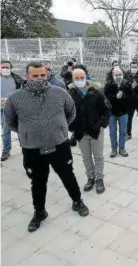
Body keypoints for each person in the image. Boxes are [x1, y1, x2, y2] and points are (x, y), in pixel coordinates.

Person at [4, 61, 89, 232]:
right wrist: (27, 133)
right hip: (32, 148)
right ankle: (40, 212)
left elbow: (71, 113)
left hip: (59, 145)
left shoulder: (59, 92)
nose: (40, 78)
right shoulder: (15, 98)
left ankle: (77, 201)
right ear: (27, 76)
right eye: (35, 76)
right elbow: (11, 121)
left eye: (42, 75)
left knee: (68, 175)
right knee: (37, 181)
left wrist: (60, 128)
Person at [68, 68, 110, 194]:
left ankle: (99, 178)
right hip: (80, 132)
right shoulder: (70, 94)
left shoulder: (96, 91)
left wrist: (103, 124)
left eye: (82, 77)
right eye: (77, 78)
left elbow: (106, 109)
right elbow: (66, 112)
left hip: (96, 130)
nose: (80, 80)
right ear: (73, 79)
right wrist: (72, 127)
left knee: (98, 156)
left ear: (86, 77)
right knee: (86, 157)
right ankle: (90, 177)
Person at [104, 67, 131, 158]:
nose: (118, 77)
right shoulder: (108, 85)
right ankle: (114, 149)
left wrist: (122, 96)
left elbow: (131, 98)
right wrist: (115, 97)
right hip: (112, 113)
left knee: (123, 132)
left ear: (122, 75)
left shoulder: (127, 84)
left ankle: (122, 148)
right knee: (112, 132)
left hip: (124, 113)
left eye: (120, 75)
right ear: (113, 75)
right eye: (116, 75)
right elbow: (106, 99)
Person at [1, 60, 23, 162]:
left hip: (16, 109)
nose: (5, 69)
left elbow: (23, 92)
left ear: (11, 68)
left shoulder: (17, 79)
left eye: (7, 67)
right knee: (5, 130)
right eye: (3, 67)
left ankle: (25, 147)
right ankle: (6, 150)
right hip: (2, 110)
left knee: (20, 129)